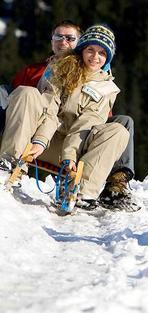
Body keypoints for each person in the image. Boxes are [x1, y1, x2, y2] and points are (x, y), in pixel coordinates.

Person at [2, 20, 138, 211]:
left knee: (119, 130)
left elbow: (87, 124)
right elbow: (50, 109)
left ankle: (82, 191)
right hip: (41, 143)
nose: (95, 57)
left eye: (102, 53)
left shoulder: (107, 89)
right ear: (82, 50)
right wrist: (40, 141)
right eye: (91, 50)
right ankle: (10, 163)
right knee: (27, 92)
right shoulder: (61, 70)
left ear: (107, 58)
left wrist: (69, 157)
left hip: (73, 155)